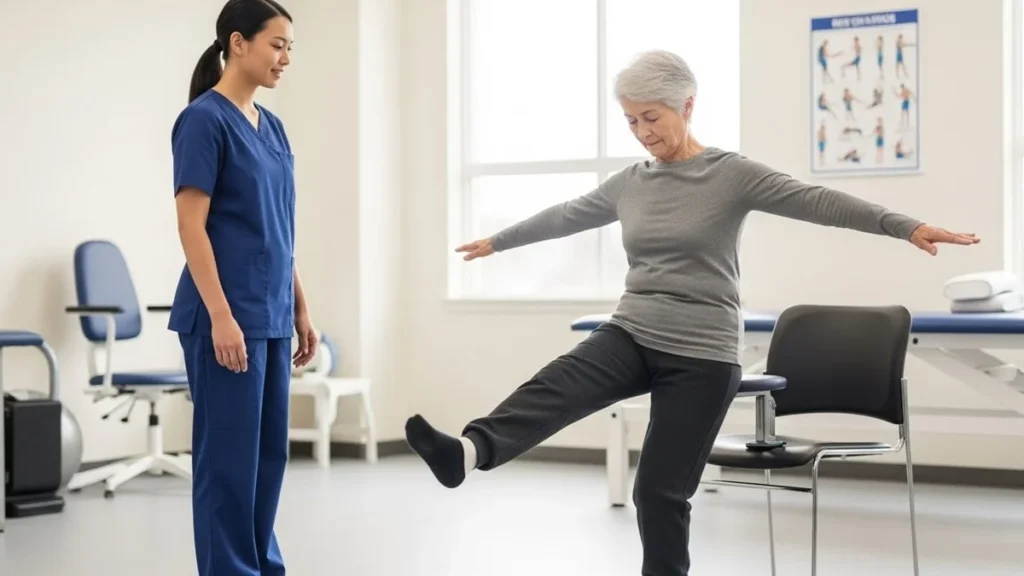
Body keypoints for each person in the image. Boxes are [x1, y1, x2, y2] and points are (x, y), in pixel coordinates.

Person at [404, 50, 978, 576]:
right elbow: (567, 215)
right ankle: (470, 452)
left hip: (703, 352)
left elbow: (818, 201)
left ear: (687, 105)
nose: (642, 132)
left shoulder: (730, 174)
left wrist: (907, 226)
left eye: (651, 117)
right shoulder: (630, 183)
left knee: (658, 493)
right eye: (630, 121)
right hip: (633, 329)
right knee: (557, 383)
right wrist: (498, 242)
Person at [167, 1, 316, 575]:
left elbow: (278, 226)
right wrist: (222, 317)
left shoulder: (272, 127)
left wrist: (300, 305)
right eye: (277, 45)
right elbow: (190, 226)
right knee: (227, 462)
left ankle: (261, 566)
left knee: (268, 458)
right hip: (223, 318)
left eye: (290, 48)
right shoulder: (204, 121)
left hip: (273, 314)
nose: (285, 58)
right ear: (239, 42)